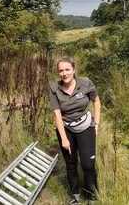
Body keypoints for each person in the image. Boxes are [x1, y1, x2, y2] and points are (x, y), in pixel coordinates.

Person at [49, 56, 101, 204]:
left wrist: (96, 123)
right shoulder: (54, 89)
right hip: (66, 130)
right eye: (61, 70)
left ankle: (92, 195)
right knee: (71, 164)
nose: (64, 73)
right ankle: (75, 196)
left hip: (85, 127)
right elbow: (57, 116)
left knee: (87, 164)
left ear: (74, 70)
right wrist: (64, 138)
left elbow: (96, 101)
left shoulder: (86, 83)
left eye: (67, 69)